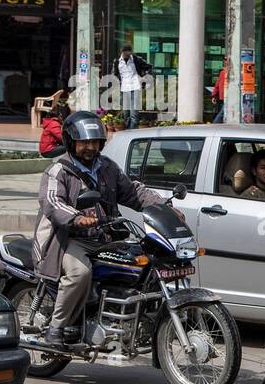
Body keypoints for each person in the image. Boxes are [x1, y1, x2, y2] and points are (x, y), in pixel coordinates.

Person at [33, 111, 166, 347]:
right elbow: (52, 203)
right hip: (66, 239)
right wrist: (77, 218)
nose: (90, 148)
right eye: (84, 142)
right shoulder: (58, 171)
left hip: (104, 237)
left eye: (94, 142)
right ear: (71, 142)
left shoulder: (107, 168)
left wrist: (164, 206)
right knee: (79, 273)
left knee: (141, 263)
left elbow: (134, 192)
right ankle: (57, 327)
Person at [114, 45, 151, 130]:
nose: (127, 55)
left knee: (134, 114)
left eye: (129, 53)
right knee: (126, 113)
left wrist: (144, 76)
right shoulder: (117, 61)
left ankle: (130, 133)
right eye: (125, 53)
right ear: (122, 52)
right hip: (124, 88)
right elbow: (115, 74)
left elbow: (149, 66)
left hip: (135, 87)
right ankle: (127, 130)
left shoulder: (136, 59)